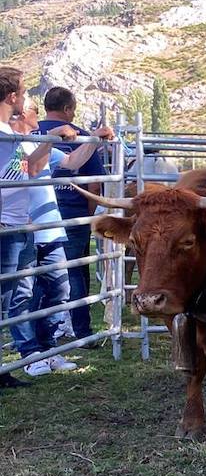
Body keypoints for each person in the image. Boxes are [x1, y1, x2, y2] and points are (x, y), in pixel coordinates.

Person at [12, 103, 106, 374]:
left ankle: (49, 348)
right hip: (25, 229)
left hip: (51, 227)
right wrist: (52, 136)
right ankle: (29, 355)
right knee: (24, 294)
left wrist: (94, 140)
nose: (36, 114)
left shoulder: (41, 143)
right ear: (20, 117)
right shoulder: (11, 144)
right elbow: (31, 167)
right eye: (31, 110)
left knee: (60, 290)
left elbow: (70, 162)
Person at [0, 66, 76, 387]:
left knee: (17, 295)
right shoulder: (5, 133)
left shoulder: (11, 133)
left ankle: (16, 366)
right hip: (5, 226)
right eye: (25, 91)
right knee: (6, 298)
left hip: (21, 225)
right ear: (13, 96)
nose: (28, 100)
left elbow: (31, 168)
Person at [38, 86, 113, 341]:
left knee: (38, 271)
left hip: (38, 211)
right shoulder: (79, 135)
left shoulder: (30, 133)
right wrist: (89, 215)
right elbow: (94, 183)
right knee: (77, 269)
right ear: (68, 109)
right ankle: (80, 329)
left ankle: (42, 327)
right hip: (73, 209)